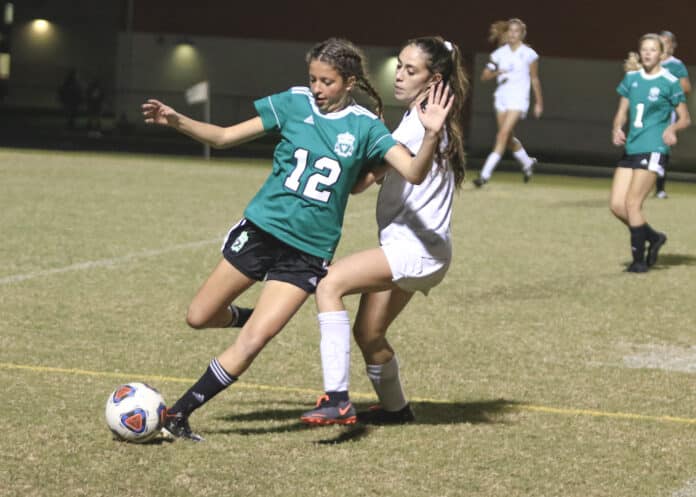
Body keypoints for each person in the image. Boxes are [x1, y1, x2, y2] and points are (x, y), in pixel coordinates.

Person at [141, 37, 455, 441]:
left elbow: (412, 172)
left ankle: (179, 414)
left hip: (306, 253)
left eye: (327, 82)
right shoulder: (292, 103)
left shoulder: (366, 127)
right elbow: (222, 138)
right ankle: (250, 313)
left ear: (349, 82)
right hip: (259, 232)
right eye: (313, 80)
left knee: (255, 342)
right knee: (199, 316)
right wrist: (176, 120)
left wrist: (430, 135)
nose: (318, 89)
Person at [299, 36, 468, 425]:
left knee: (329, 284)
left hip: (415, 249)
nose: (400, 75)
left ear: (433, 77)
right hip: (424, 247)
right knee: (368, 333)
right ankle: (396, 409)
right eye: (399, 66)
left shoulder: (417, 127)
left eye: (412, 70)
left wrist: (357, 133)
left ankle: (337, 398)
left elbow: (359, 182)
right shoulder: (421, 117)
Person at [610, 33, 690, 273]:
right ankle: (654, 237)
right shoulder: (632, 78)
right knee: (617, 205)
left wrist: (673, 129)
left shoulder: (669, 80)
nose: (647, 53)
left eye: (652, 50)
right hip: (632, 146)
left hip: (654, 147)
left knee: (633, 203)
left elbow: (685, 118)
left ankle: (639, 262)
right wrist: (616, 128)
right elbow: (622, 110)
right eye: (644, 49)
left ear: (661, 54)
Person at [473, 18, 543, 187]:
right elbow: (484, 76)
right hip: (501, 98)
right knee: (508, 138)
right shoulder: (499, 54)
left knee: (502, 135)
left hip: (519, 99)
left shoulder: (529, 54)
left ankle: (484, 175)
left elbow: (534, 79)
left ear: (522, 34)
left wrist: (539, 102)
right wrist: (497, 72)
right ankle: (527, 163)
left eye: (516, 31)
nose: (512, 34)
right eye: (510, 30)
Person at [653, 30, 691, 199]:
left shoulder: (676, 65)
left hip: (666, 111)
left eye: (667, 42)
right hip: (647, 110)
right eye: (660, 41)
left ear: (672, 46)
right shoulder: (650, 61)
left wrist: (667, 90)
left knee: (661, 146)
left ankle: (659, 188)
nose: (664, 45)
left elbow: (686, 88)